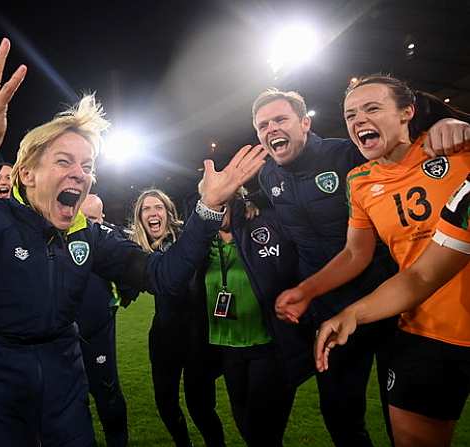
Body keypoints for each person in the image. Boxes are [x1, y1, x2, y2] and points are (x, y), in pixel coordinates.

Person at [0, 28, 266, 446]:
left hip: (65, 398)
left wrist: (207, 209)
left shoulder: (91, 238)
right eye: (64, 161)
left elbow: (164, 276)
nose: (80, 174)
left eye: (88, 165)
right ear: (27, 174)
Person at [253, 86, 470, 446]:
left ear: (305, 123)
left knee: (392, 410)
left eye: (280, 119)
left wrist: (452, 121)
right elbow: (361, 253)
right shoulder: (344, 181)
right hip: (363, 309)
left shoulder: (349, 157)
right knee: (340, 412)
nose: (271, 128)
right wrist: (306, 291)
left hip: (392, 304)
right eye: (263, 124)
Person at [199, 186, 299, 447]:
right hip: (228, 344)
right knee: (242, 417)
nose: (218, 208)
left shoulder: (256, 228)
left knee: (262, 427)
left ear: (235, 201)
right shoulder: (203, 243)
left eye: (224, 201)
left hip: (265, 342)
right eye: (212, 202)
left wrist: (255, 202)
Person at [130, 189, 224, 447]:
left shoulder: (188, 241)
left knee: (201, 408)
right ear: (140, 218)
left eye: (157, 207)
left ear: (168, 213)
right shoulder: (140, 252)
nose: (152, 213)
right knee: (166, 404)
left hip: (198, 340)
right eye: (146, 209)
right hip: (163, 339)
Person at [77, 194, 130, 447]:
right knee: (69, 398)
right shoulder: (64, 236)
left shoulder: (111, 239)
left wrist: (123, 294)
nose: (89, 225)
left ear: (103, 217)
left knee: (107, 393)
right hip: (62, 332)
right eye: (83, 218)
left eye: (93, 219)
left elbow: (133, 261)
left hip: (98, 329)